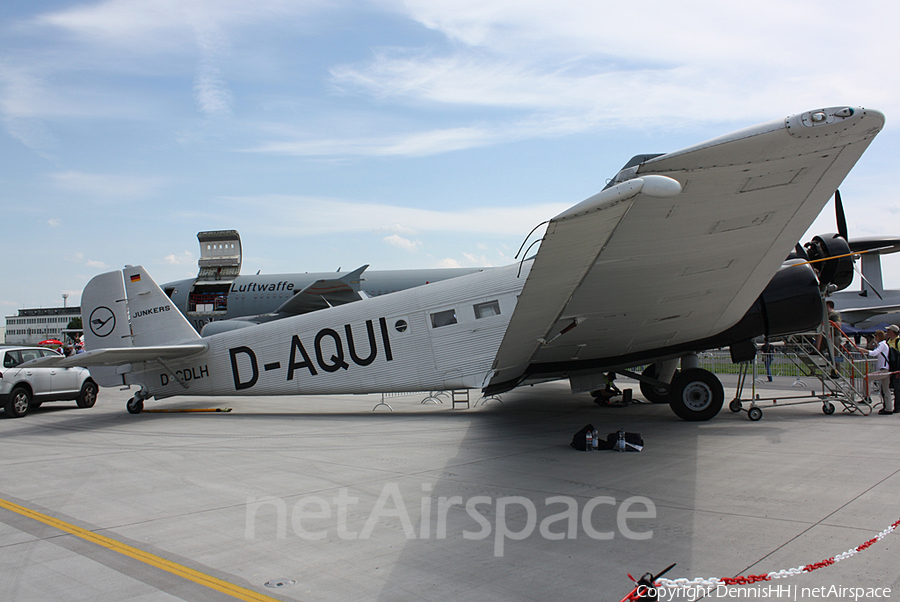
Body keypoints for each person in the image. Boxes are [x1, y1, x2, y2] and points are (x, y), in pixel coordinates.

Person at [867, 330, 894, 415]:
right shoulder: (882, 344)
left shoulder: (882, 345)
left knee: (867, 377)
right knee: (886, 390)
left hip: (883, 369)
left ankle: (866, 396)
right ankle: (888, 408)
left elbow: (874, 353)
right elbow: (871, 347)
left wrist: (863, 350)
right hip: (885, 369)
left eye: (875, 336)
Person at [886, 324, 900, 410]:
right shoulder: (888, 341)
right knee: (891, 387)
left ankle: (898, 407)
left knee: (897, 389)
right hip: (889, 368)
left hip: (896, 369)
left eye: (888, 331)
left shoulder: (898, 342)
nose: (887, 332)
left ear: (893, 332)